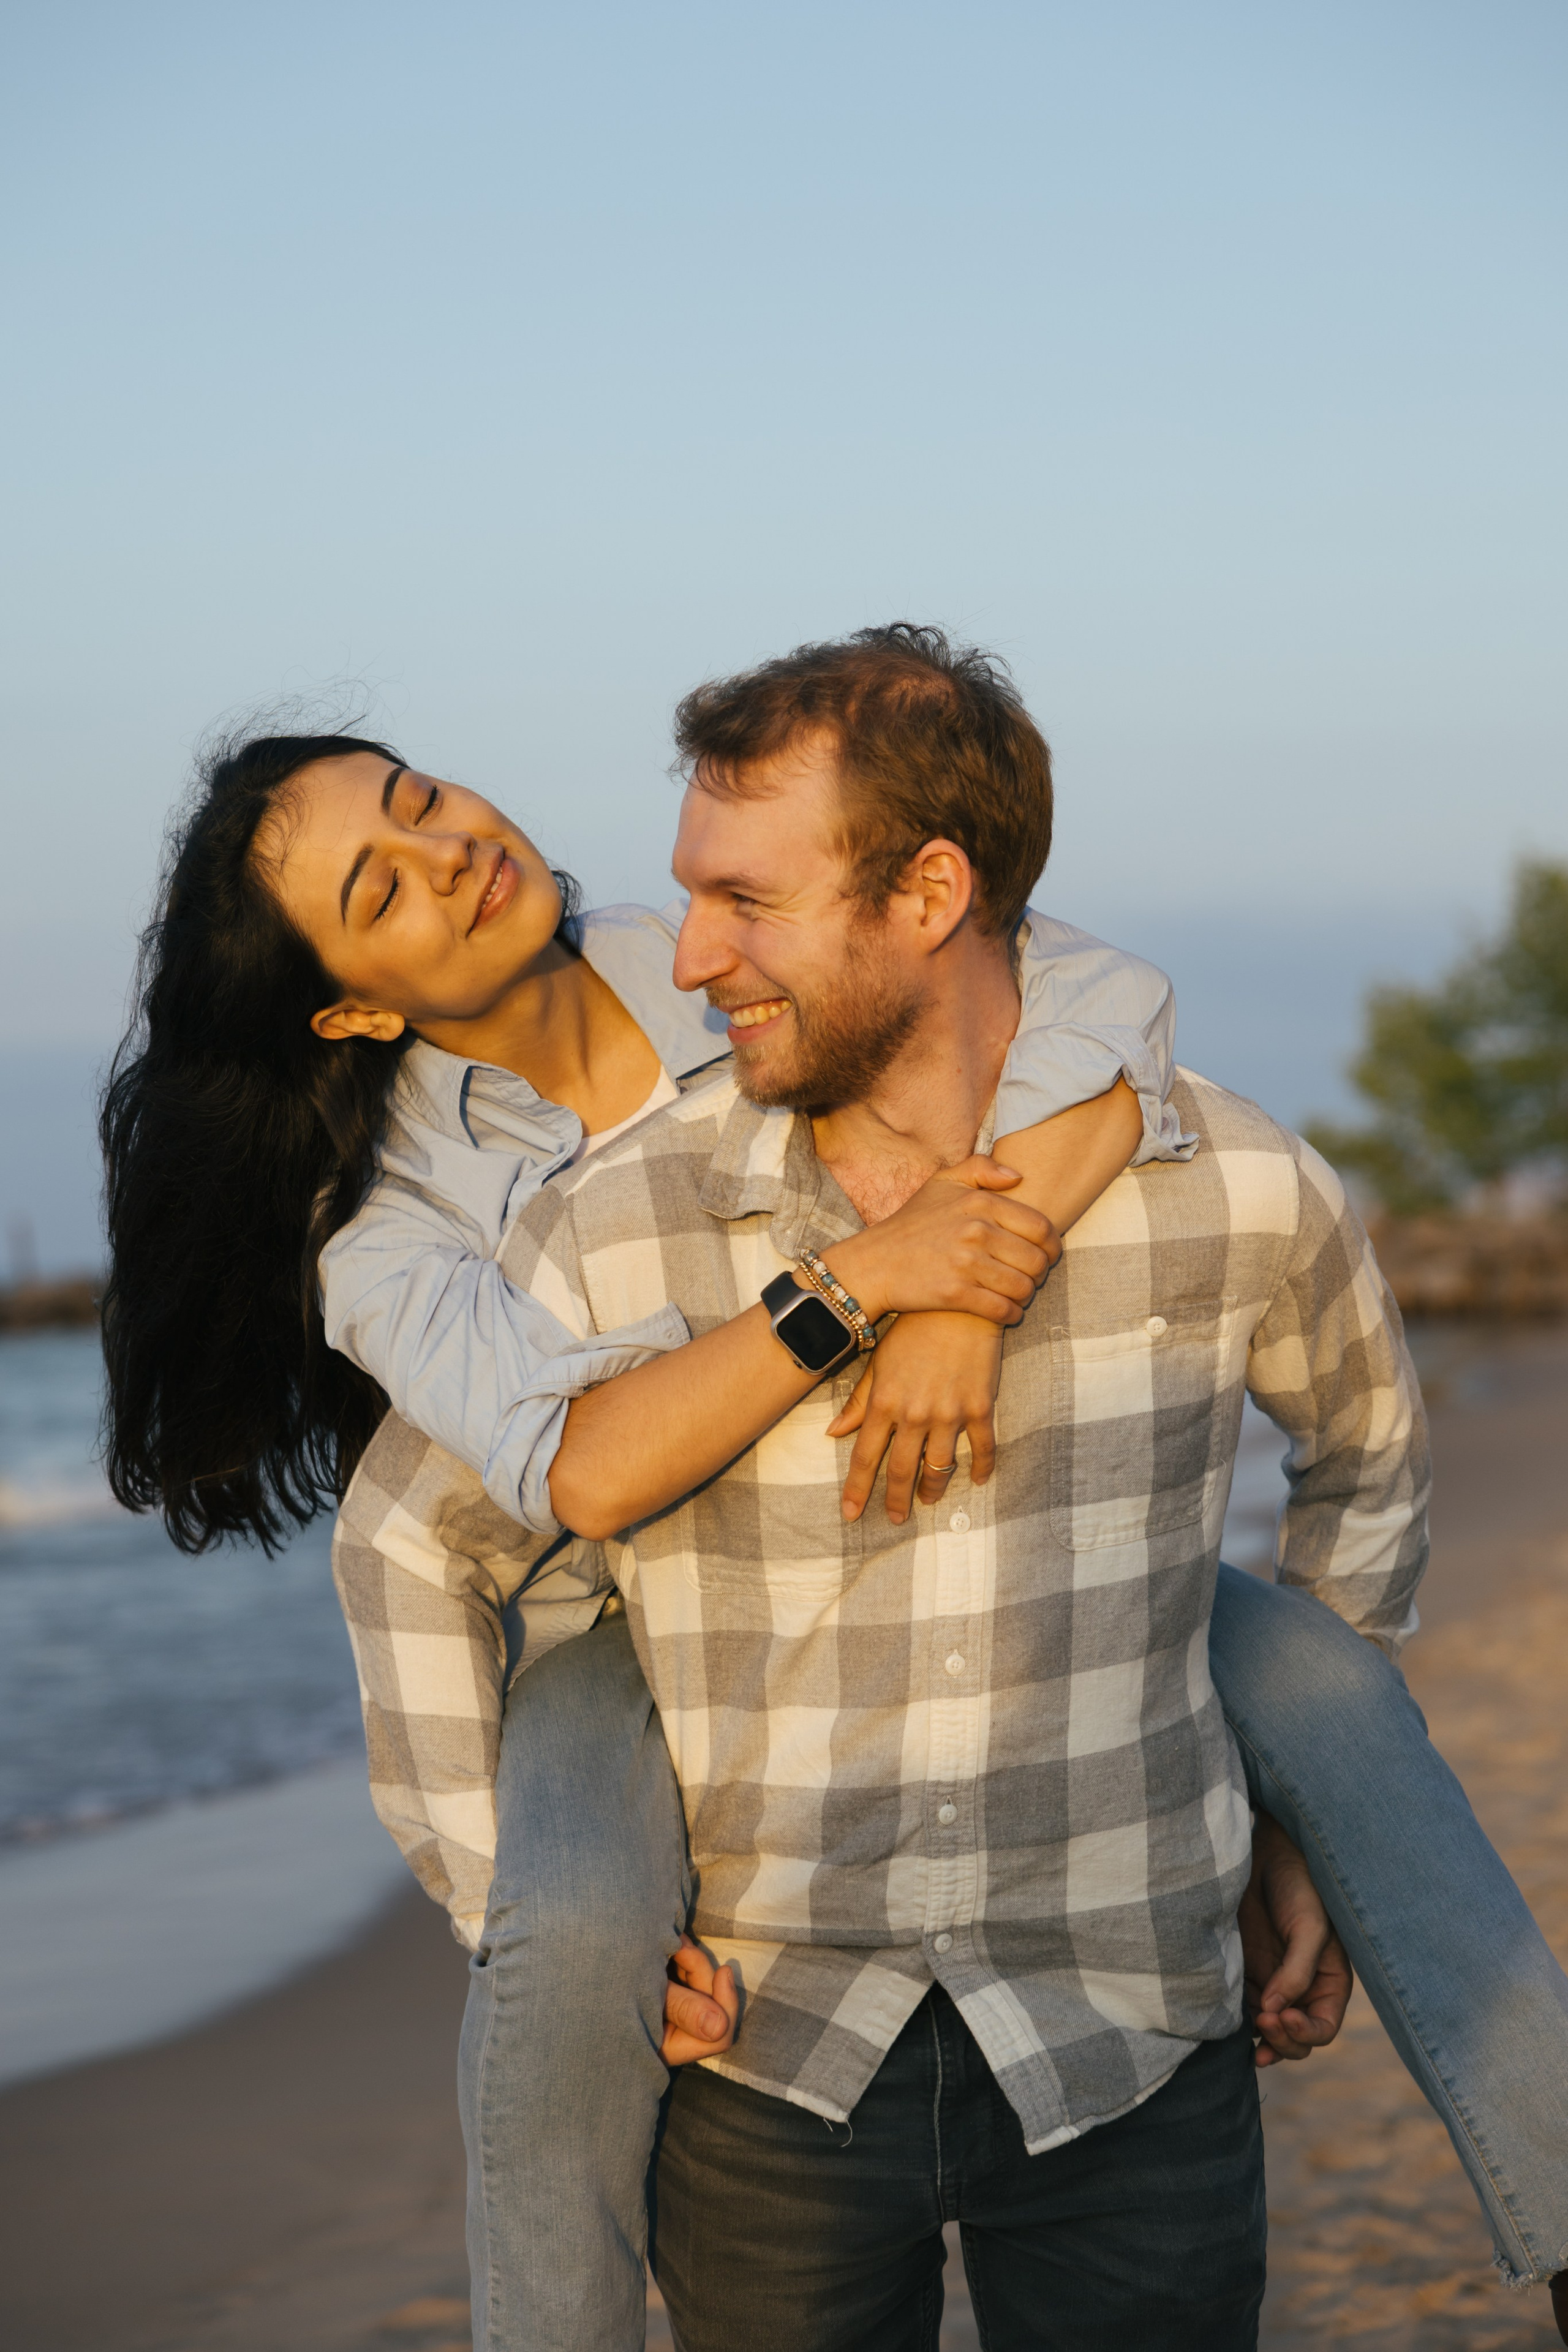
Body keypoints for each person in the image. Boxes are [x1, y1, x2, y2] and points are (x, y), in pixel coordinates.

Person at [97, 635, 1568, 2344]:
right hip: (621, 1613)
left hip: (915, 1565)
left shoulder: (693, 951)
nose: (451, 853)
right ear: (350, 1004)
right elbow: (537, 1490)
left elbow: (1082, 996)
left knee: (1333, 1699)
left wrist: (966, 1283)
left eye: (420, 801)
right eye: (384, 885)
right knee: (564, 1943)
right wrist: (876, 1286)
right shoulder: (394, 1231)